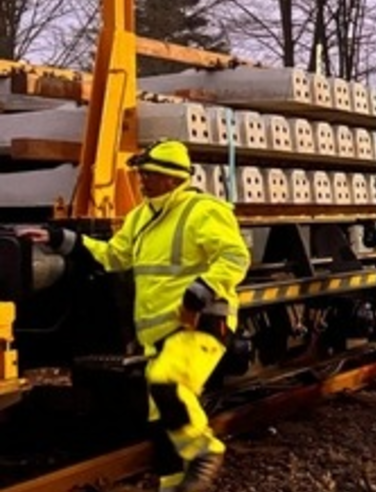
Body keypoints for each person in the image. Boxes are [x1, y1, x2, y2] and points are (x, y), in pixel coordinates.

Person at [20, 139, 249, 492]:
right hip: (158, 333)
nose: (142, 180)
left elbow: (235, 257)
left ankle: (204, 451)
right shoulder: (140, 217)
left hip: (199, 323)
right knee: (160, 417)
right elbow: (114, 256)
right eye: (142, 174)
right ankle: (173, 484)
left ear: (173, 178)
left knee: (166, 382)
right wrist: (60, 238)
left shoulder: (204, 210)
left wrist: (204, 287)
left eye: (149, 174)